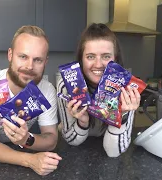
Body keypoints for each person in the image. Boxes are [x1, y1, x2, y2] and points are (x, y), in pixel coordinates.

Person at [0, 25, 62, 176]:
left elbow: (51, 139)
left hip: (26, 147)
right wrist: (30, 160)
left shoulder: (46, 90)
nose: (29, 66)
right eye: (23, 57)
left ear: (45, 62)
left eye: (37, 60)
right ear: (10, 55)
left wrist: (26, 139)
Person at [56, 23, 141, 157]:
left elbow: (114, 152)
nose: (98, 64)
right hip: (78, 153)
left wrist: (121, 115)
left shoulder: (126, 88)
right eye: (90, 56)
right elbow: (71, 141)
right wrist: (82, 122)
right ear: (81, 60)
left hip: (109, 145)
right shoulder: (68, 86)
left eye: (106, 56)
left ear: (116, 59)